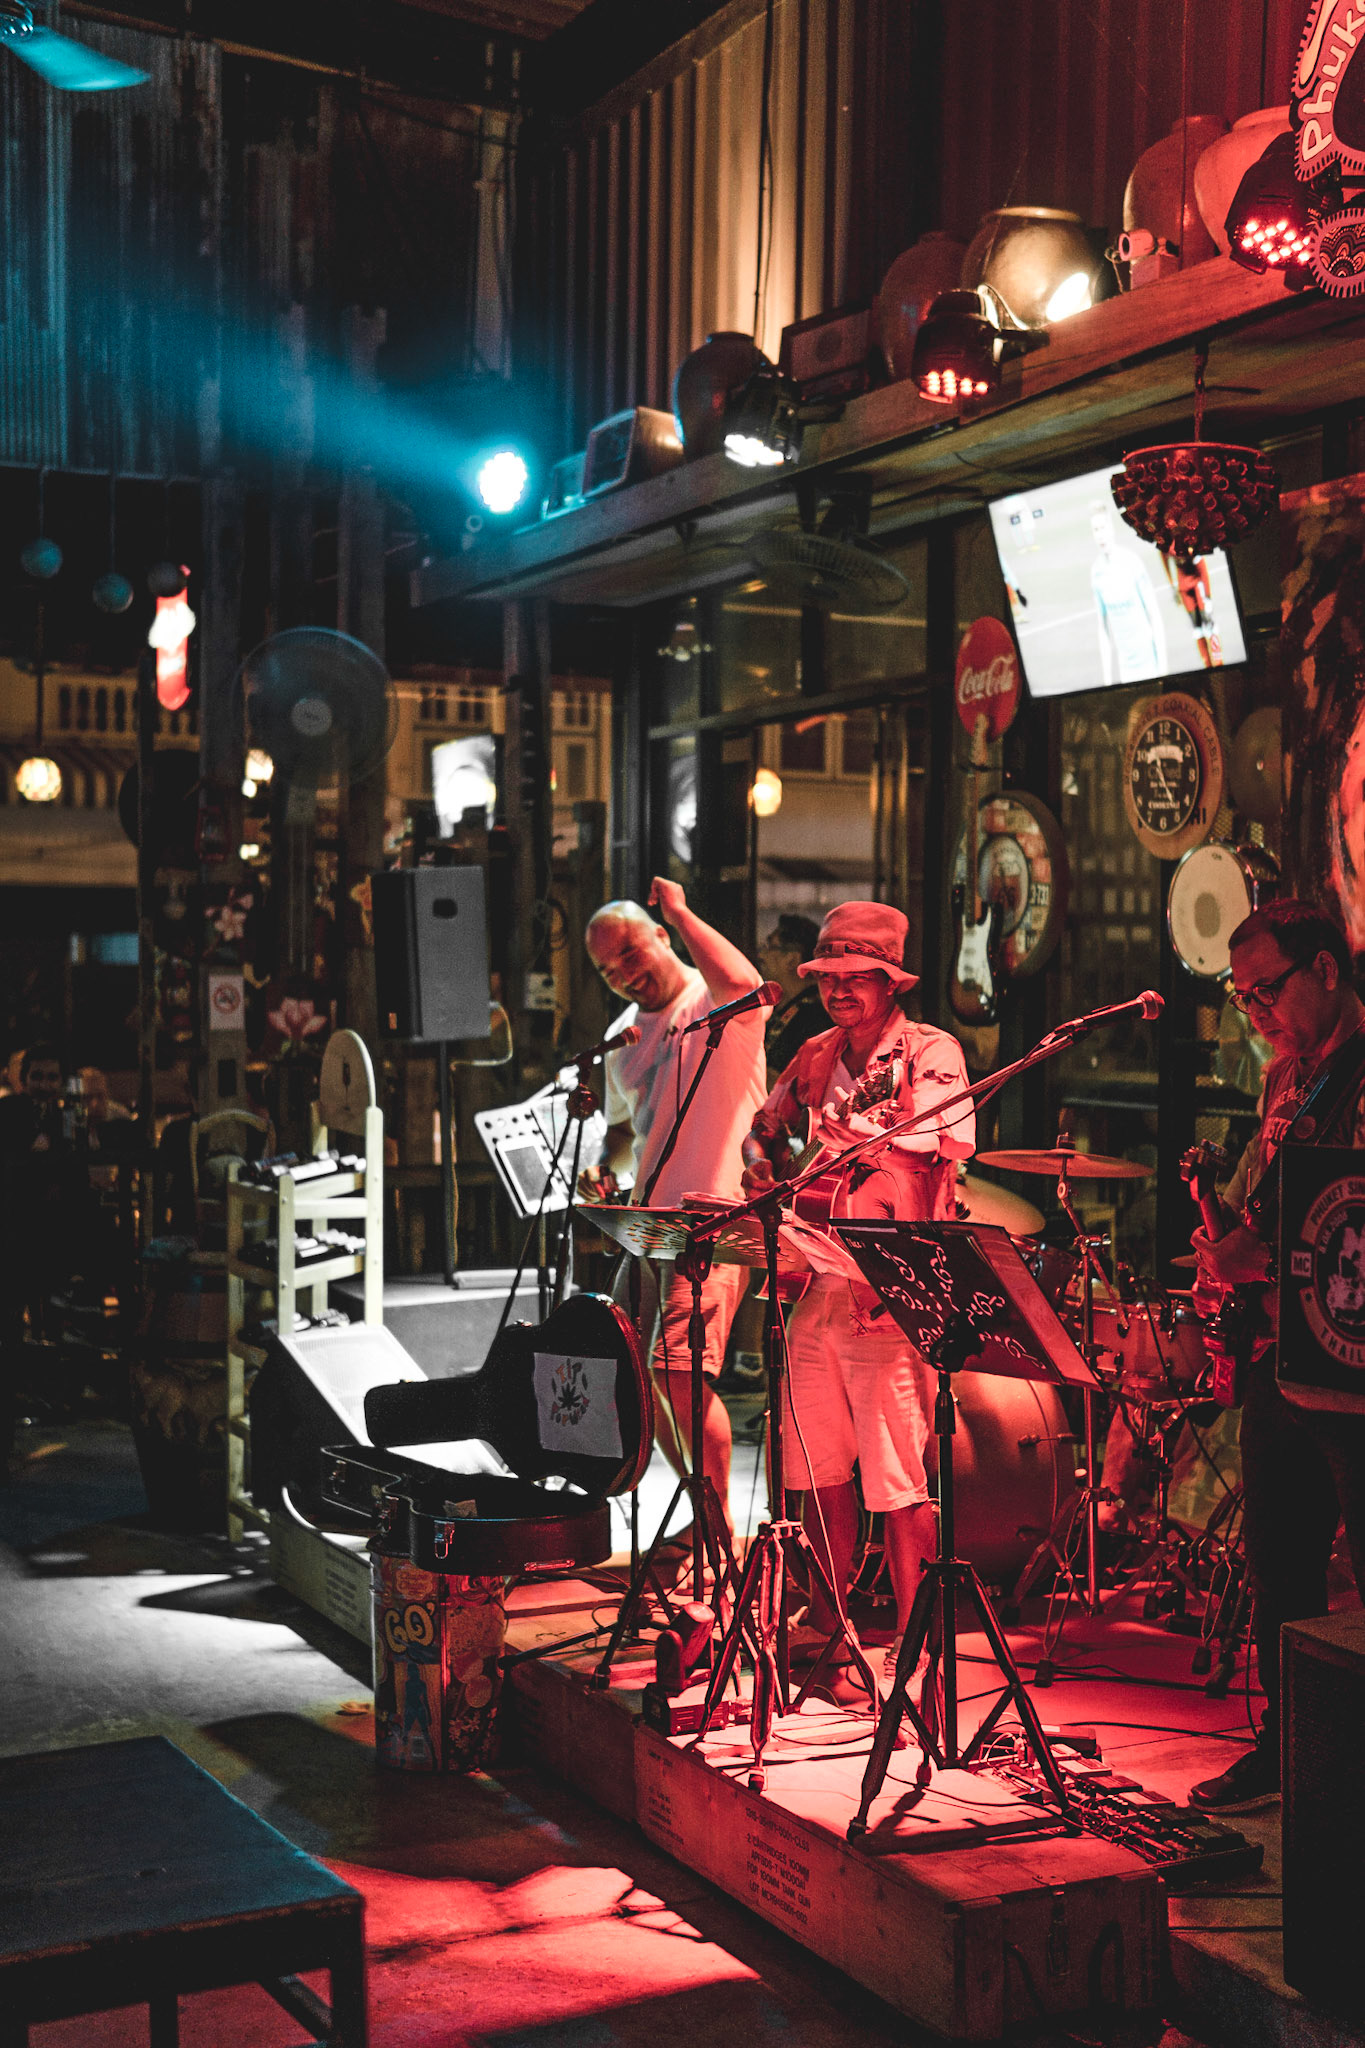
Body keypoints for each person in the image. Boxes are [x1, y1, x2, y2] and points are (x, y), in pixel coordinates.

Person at [740, 902, 974, 1683]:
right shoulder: (815, 1052)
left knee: (897, 1483)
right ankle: (830, 1628)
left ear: (889, 980)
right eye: (826, 977)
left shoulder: (929, 1051)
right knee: (815, 1471)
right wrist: (760, 1163)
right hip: (815, 1282)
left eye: (854, 976)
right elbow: (765, 1126)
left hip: (889, 1292)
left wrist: (862, 1137)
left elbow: (940, 1141)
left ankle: (916, 1650)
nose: (838, 989)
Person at [1189, 900, 1365, 1811]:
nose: (1256, 1012)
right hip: (1279, 1356)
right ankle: (1289, 1750)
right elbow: (1265, 1202)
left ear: (1325, 969)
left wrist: (1257, 1257)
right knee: (1279, 1570)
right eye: (1242, 997)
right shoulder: (1284, 1081)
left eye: (1267, 991)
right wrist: (1220, 1251)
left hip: (1353, 1374)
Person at [580, 879, 768, 1548]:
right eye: (608, 969)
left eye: (631, 952)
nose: (624, 974)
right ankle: (701, 1519)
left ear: (661, 936)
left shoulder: (715, 1003)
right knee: (636, 1375)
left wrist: (683, 910)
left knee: (677, 1373)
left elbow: (746, 982)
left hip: (711, 1220)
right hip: (647, 1224)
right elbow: (624, 1130)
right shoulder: (622, 1035)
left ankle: (716, 1533)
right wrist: (604, 1169)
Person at [1090, 503, 1168, 685]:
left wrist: (1164, 670)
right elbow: (1103, 629)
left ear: (1111, 528)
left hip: (1150, 665)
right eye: (1095, 530)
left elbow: (1154, 616)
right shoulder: (1096, 573)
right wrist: (1107, 680)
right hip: (1126, 669)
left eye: (1103, 528)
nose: (1100, 535)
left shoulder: (1132, 563)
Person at [758, 912, 826, 1084]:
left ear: (792, 959)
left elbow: (788, 1084)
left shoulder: (815, 1017)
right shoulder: (781, 1007)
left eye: (769, 946)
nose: (761, 955)